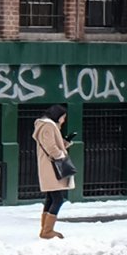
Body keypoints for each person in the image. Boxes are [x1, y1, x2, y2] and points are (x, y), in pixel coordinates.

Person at [33, 103, 74, 240]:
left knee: (51, 197)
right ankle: (47, 231)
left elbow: (53, 144)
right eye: (63, 117)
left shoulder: (48, 126)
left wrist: (66, 141)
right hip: (51, 167)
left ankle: (45, 229)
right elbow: (50, 147)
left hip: (49, 165)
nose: (64, 120)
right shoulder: (48, 126)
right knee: (58, 198)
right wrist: (61, 157)